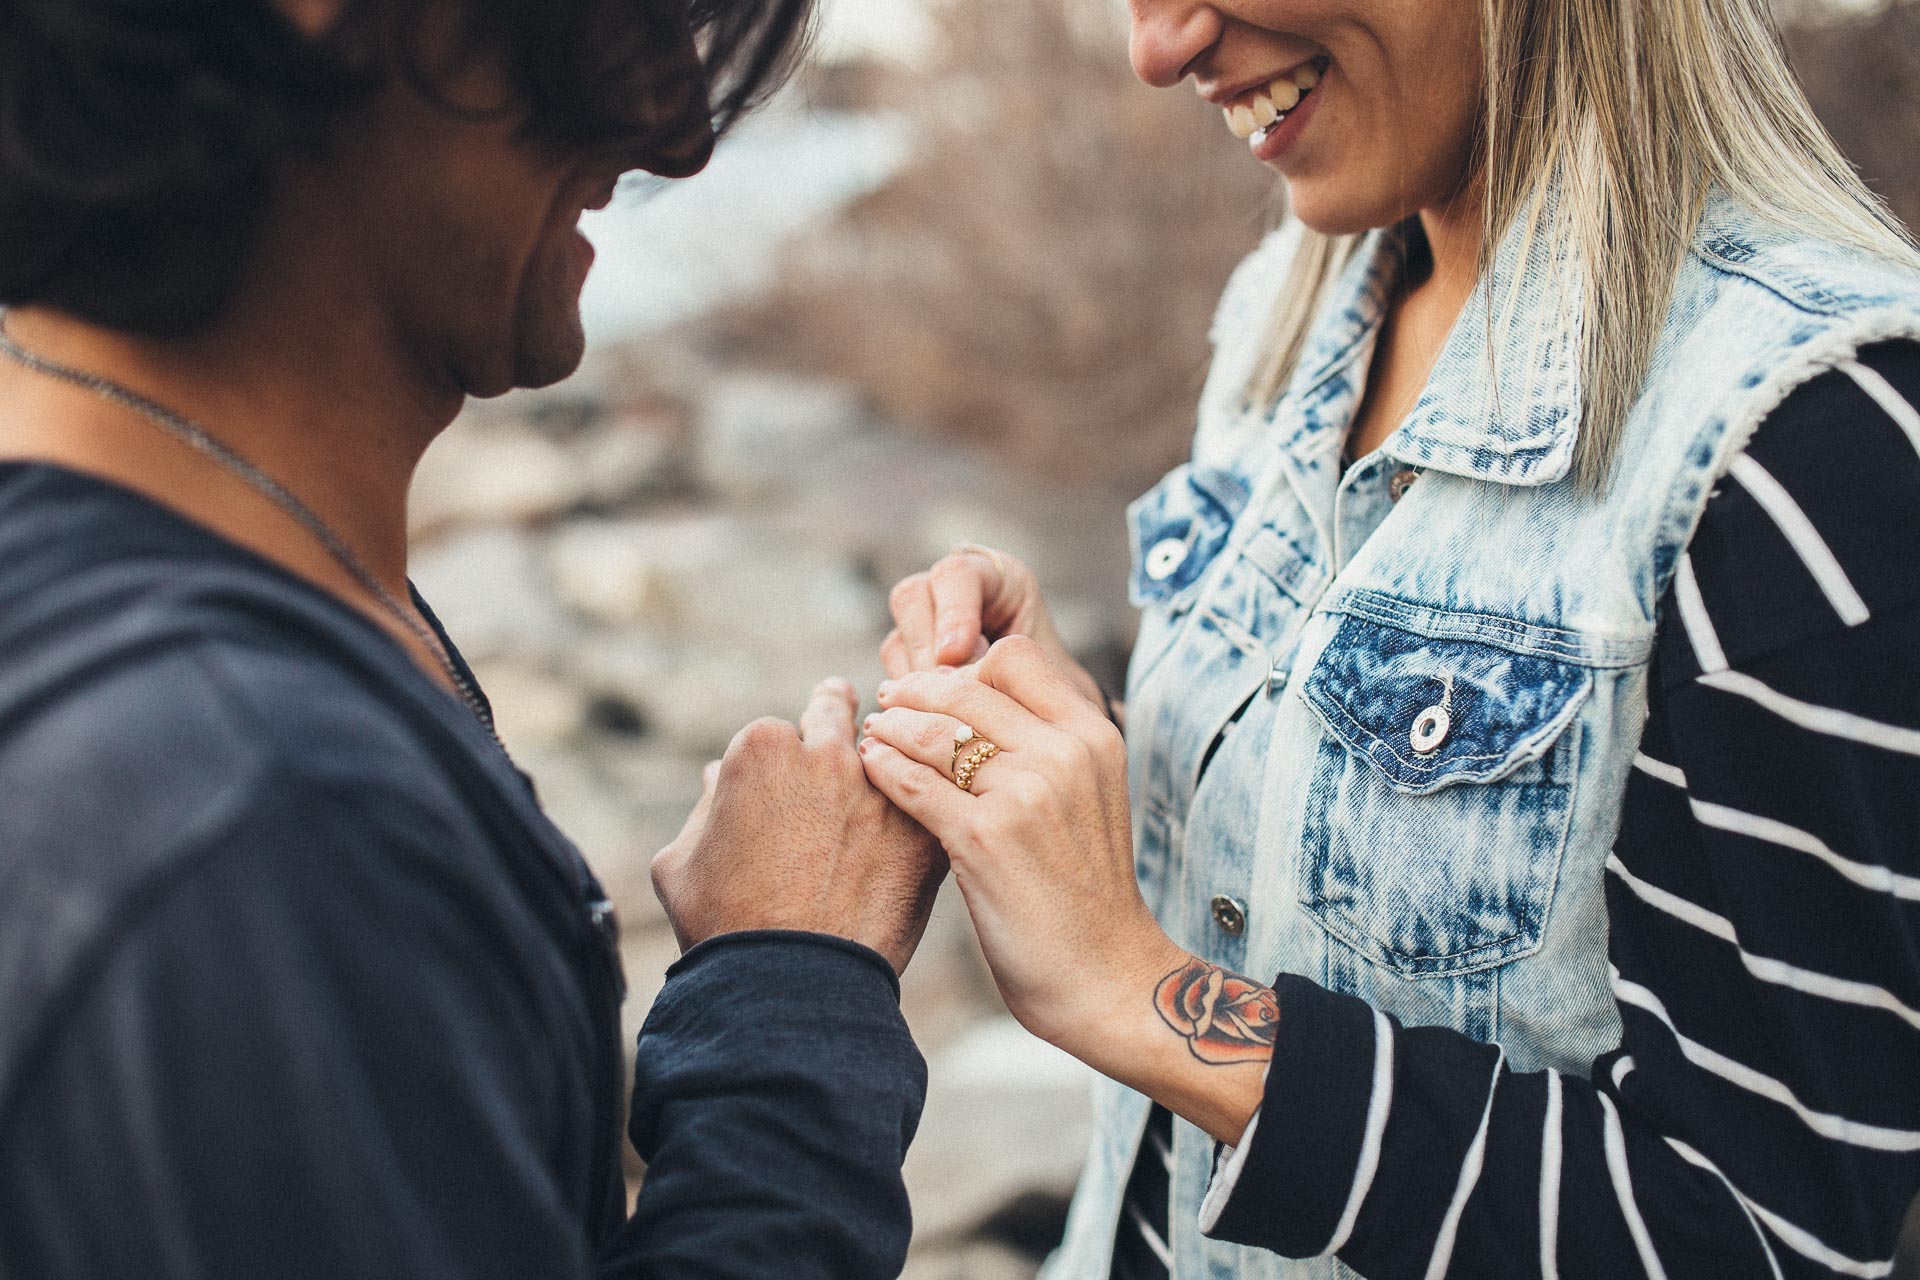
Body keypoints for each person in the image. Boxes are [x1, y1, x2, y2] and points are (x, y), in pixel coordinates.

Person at [865, 0, 1920, 1276]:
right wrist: (1072, 745)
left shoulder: (1814, 445)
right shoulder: (1286, 314)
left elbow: (1774, 1241)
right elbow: (1330, 845)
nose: (1158, 49)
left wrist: (1142, 998)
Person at [0, 2, 946, 1277]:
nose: (674, 132)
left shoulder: (199, 579)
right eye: (607, 21)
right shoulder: (258, 808)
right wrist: (795, 988)